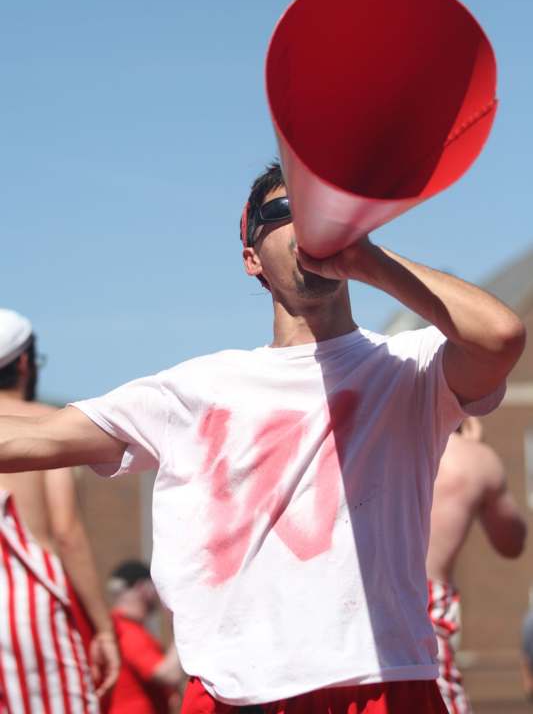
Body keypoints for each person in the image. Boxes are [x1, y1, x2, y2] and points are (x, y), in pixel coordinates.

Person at [0, 163, 526, 713]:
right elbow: (33, 436)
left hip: (386, 680)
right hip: (237, 692)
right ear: (252, 258)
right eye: (285, 213)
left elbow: (501, 337)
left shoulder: (407, 367)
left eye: (322, 215)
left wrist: (363, 255)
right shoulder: (196, 388)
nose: (310, 227)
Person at [0, 308, 120, 712]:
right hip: (27, 606)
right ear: (24, 362)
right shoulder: (45, 425)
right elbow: (66, 532)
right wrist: (104, 628)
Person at [426, 417, 527, 713]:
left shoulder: (380, 443)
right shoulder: (471, 459)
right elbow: (513, 542)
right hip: (425, 612)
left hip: (357, 608)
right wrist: (477, 452)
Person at [103, 560, 187, 713]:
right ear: (142, 588)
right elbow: (168, 674)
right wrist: (183, 624)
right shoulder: (125, 630)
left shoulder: (121, 628)